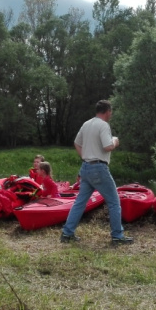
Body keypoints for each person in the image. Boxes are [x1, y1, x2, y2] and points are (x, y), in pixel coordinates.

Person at [61, 100, 133, 245]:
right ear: (107, 111)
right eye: (110, 112)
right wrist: (115, 141)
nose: (111, 114)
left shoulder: (86, 124)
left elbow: (77, 143)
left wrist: (84, 157)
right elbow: (107, 146)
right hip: (99, 167)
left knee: (80, 202)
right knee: (114, 202)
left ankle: (67, 233)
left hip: (86, 167)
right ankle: (117, 236)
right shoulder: (104, 125)